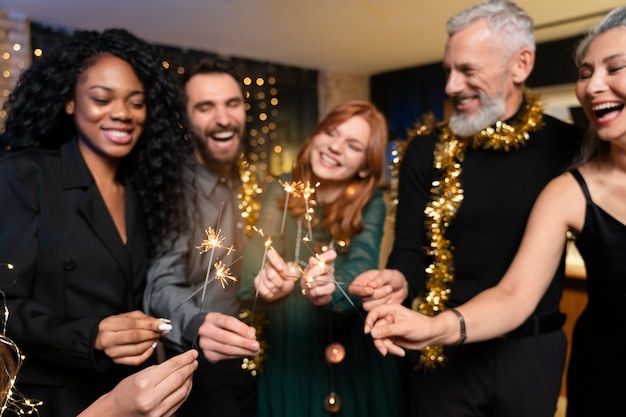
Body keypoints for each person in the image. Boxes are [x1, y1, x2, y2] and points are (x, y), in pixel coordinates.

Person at [362, 7, 626, 417]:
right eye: (447, 71)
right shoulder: (427, 152)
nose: (451, 86)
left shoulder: (569, 147)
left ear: (521, 64)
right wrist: (402, 286)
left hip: (534, 350)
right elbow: (416, 253)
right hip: (447, 351)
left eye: (467, 70)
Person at [0, 28, 193, 417]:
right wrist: (92, 335)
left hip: (129, 395)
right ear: (70, 102)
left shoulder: (143, 194)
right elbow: (2, 306)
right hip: (47, 401)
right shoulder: (25, 175)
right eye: (102, 98)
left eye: (136, 102)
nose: (122, 113)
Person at [238, 100, 407, 417]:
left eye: (353, 145)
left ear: (365, 165)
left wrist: (333, 287)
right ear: (315, 135)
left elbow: (363, 263)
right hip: (291, 347)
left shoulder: (371, 203)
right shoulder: (281, 188)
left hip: (354, 355)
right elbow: (260, 247)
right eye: (331, 132)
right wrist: (264, 277)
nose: (335, 147)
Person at [144, 57, 260, 417]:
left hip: (264, 358)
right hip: (208, 368)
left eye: (232, 103)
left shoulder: (251, 181)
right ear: (185, 119)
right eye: (205, 107)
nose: (223, 118)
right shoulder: (177, 190)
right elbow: (159, 286)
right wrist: (198, 324)